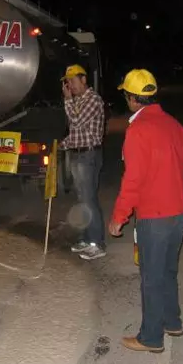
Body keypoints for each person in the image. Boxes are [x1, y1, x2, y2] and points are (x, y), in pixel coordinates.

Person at [109, 69, 183, 352]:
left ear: (133, 99)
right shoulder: (173, 124)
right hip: (179, 211)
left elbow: (132, 179)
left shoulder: (138, 130)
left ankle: (151, 337)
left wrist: (118, 217)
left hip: (154, 216)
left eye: (126, 95)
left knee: (151, 276)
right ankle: (173, 322)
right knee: (168, 271)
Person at [60, 64, 107, 260]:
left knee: (89, 199)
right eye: (67, 82)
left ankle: (97, 243)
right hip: (77, 154)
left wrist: (68, 100)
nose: (69, 85)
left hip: (88, 156)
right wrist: (62, 145)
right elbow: (77, 132)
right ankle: (87, 239)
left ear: (84, 79)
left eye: (72, 80)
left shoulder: (93, 99)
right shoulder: (78, 101)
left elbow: (77, 121)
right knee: (82, 200)